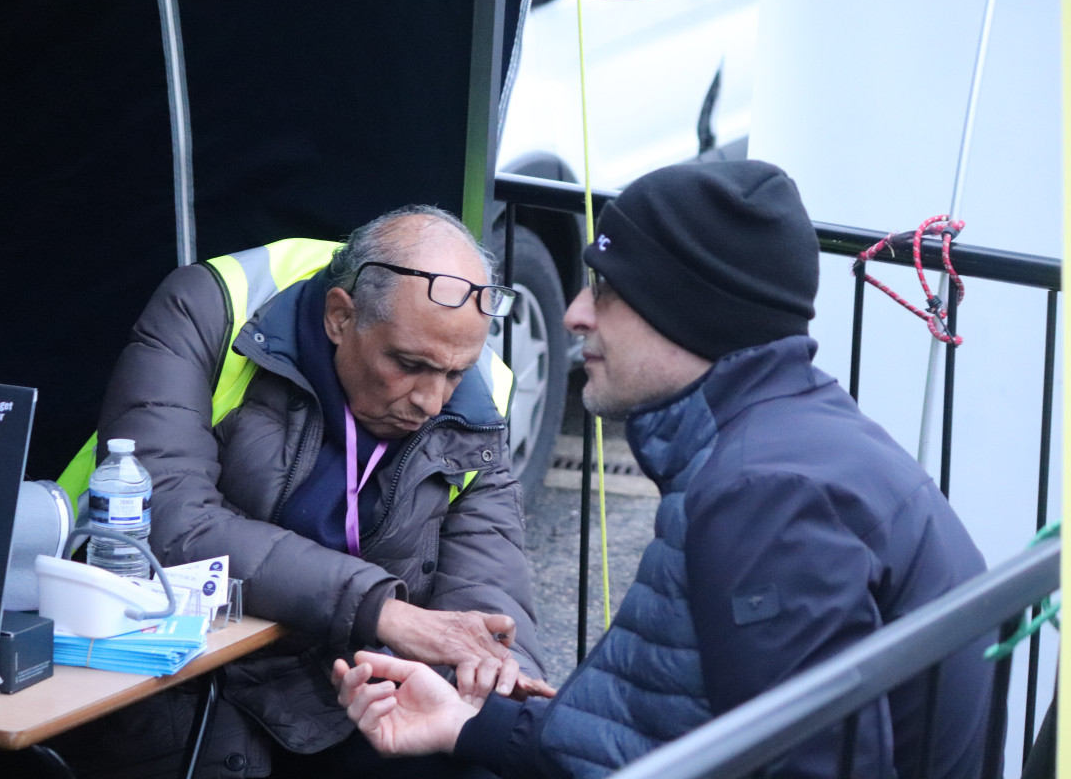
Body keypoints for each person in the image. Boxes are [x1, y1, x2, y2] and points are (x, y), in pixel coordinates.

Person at [334, 161, 996, 778]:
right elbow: (676, 727)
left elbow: (804, 763)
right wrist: (471, 723)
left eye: (608, 289)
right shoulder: (783, 442)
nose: (575, 313)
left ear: (690, 312)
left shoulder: (764, 495)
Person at [0, 205, 548, 779]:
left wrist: (499, 677)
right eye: (407, 365)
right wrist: (385, 612)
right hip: (160, 664)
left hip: (340, 681)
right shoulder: (211, 306)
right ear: (338, 317)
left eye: (454, 373)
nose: (432, 400)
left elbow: (487, 573)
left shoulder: (479, 389)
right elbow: (171, 519)